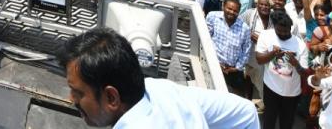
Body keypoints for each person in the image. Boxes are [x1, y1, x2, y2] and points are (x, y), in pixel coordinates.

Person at [57, 27, 258, 128]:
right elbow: (246, 113)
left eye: (78, 92)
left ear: (112, 97)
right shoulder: (160, 89)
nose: (71, 99)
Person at [255, 9, 307, 129]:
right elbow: (259, 59)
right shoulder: (265, 35)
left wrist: (296, 64)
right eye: (280, 31)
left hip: (291, 93)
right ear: (274, 26)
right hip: (271, 88)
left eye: (286, 31)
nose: (283, 34)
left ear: (291, 28)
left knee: (286, 124)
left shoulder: (300, 44)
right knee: (269, 121)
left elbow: (304, 73)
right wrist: (273, 54)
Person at [206, 0, 253, 96]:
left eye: (235, 11)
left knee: (234, 98)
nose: (231, 12)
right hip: (214, 66)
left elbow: (246, 51)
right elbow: (205, 38)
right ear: (223, 6)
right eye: (229, 9)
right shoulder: (213, 17)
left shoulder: (244, 28)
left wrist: (237, 68)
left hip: (233, 71)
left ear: (239, 12)